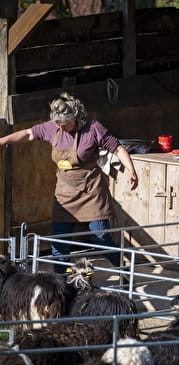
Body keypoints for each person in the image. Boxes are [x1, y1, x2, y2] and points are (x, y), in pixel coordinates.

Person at [0, 92, 138, 273]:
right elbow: (28, 134)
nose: (61, 127)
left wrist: (131, 170)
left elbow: (117, 148)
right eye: (58, 123)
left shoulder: (93, 129)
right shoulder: (52, 127)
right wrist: (2, 141)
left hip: (91, 191)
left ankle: (124, 270)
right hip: (65, 192)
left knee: (101, 239)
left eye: (65, 124)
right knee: (60, 242)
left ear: (76, 116)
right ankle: (60, 284)